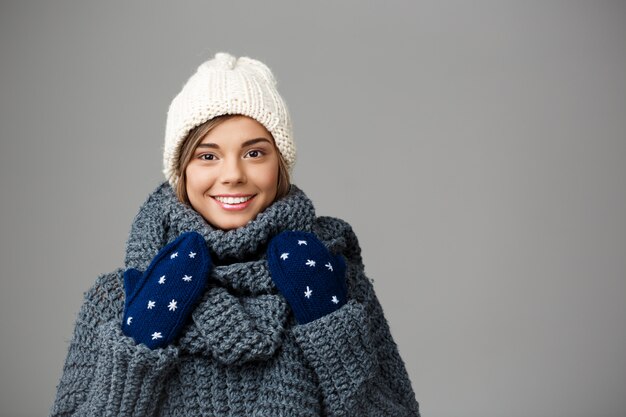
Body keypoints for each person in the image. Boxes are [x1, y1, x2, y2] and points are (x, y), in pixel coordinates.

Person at [49, 52, 421, 417]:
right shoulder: (118, 300)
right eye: (207, 156)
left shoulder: (333, 282)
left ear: (280, 165)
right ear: (181, 171)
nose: (233, 175)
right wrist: (136, 348)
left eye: (255, 153)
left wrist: (333, 329)